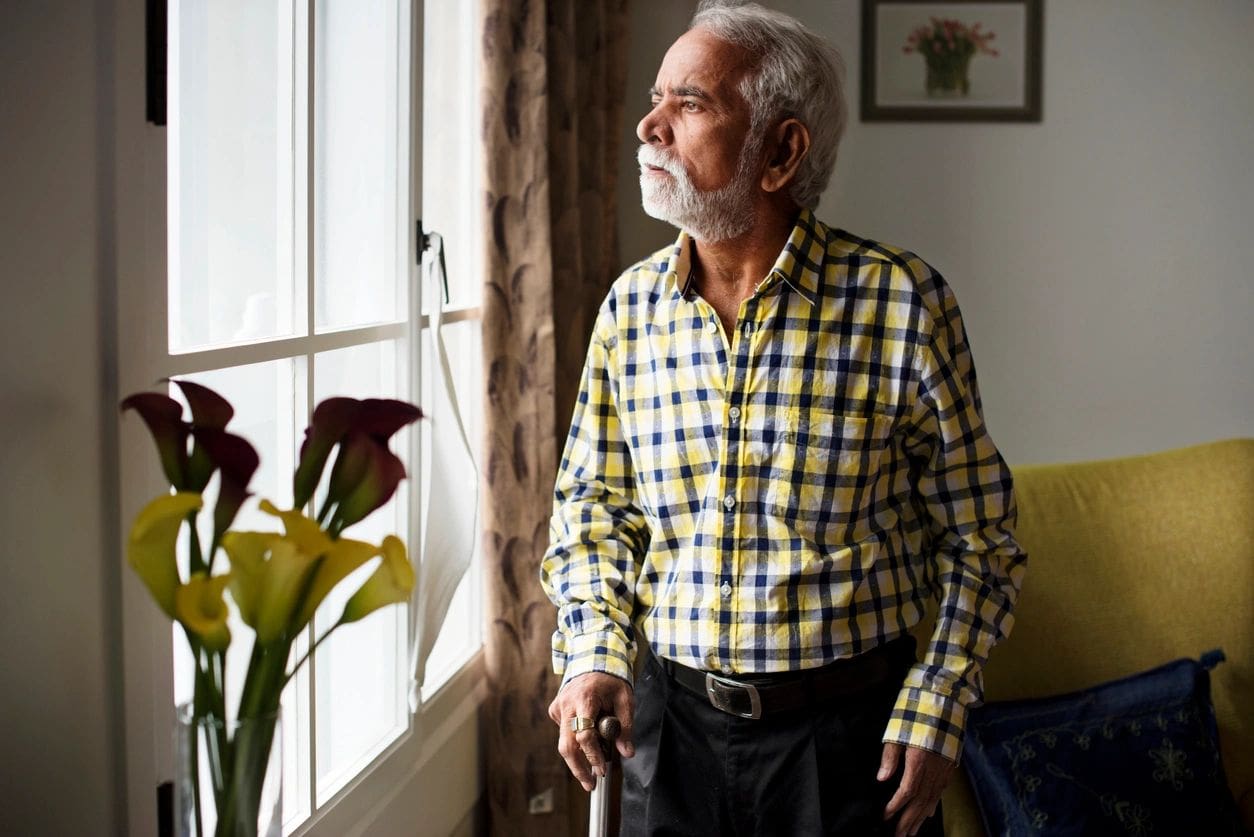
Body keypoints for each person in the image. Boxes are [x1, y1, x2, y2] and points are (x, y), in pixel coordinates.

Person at [540, 3, 1027, 835]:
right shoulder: (629, 310)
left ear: (780, 151)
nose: (648, 125)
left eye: (689, 104)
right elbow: (593, 513)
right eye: (657, 98)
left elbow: (981, 539)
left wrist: (938, 699)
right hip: (669, 734)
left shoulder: (901, 303)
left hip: (845, 746)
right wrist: (592, 655)